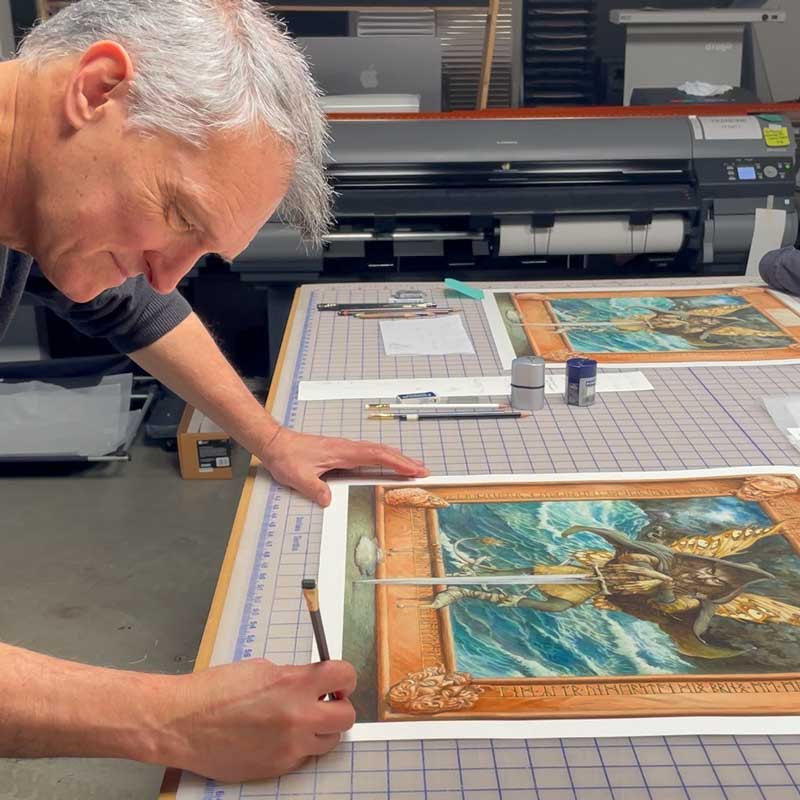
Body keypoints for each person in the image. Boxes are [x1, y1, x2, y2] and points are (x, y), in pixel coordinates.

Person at [0, 0, 428, 783]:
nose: (168, 274)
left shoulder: (35, 191)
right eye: (179, 214)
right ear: (96, 90)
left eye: (199, 251)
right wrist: (171, 720)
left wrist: (270, 438)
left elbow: (136, 304)